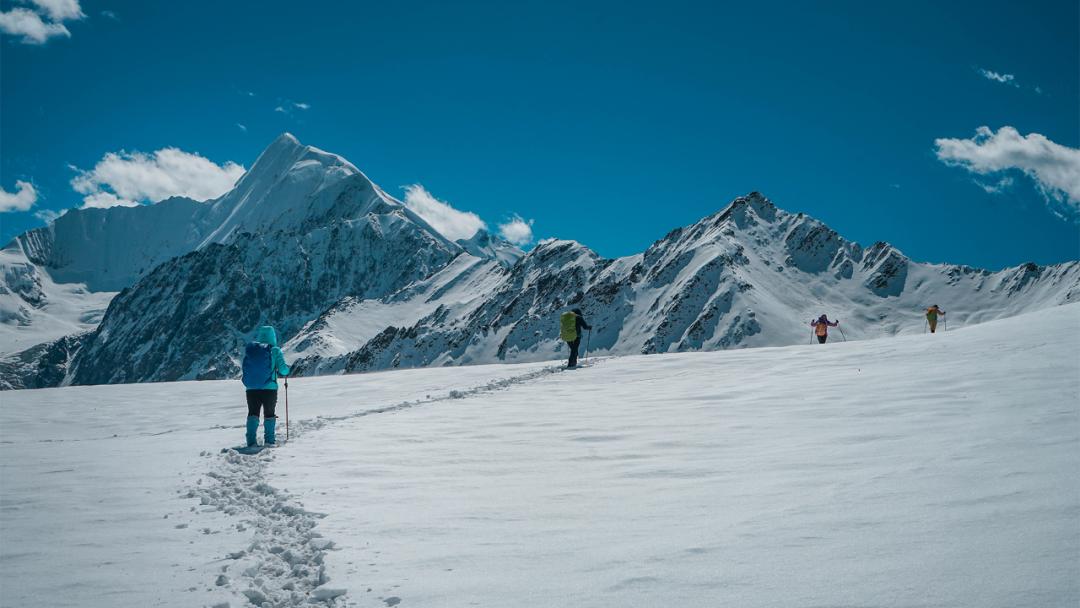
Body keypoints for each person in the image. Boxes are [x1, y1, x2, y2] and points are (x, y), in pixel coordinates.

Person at [241, 325, 290, 447]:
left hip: (251, 388)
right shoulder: (274, 350)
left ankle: (251, 441)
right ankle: (269, 441)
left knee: (253, 413)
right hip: (269, 388)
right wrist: (285, 371)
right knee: (269, 413)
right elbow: (283, 370)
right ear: (273, 336)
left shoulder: (252, 350)